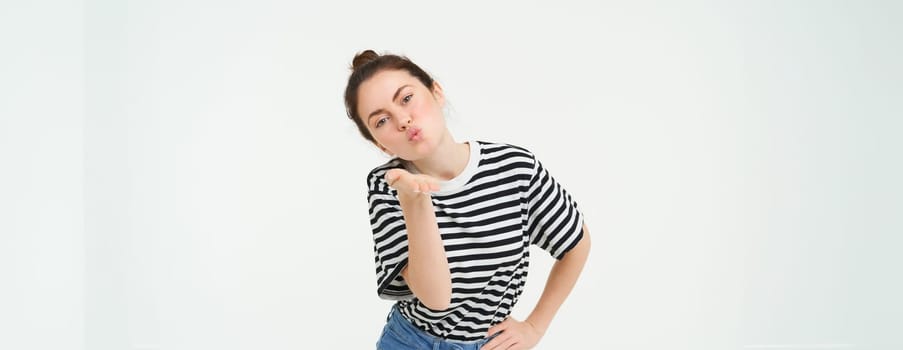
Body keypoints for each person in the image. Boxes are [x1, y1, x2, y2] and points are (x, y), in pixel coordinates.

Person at [344, 49, 591, 350]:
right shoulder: (389, 186)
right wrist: (415, 202)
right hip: (410, 341)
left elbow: (575, 244)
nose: (403, 120)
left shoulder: (514, 167)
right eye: (381, 121)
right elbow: (436, 298)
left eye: (406, 99)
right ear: (380, 144)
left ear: (436, 92)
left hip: (490, 344)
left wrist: (535, 326)